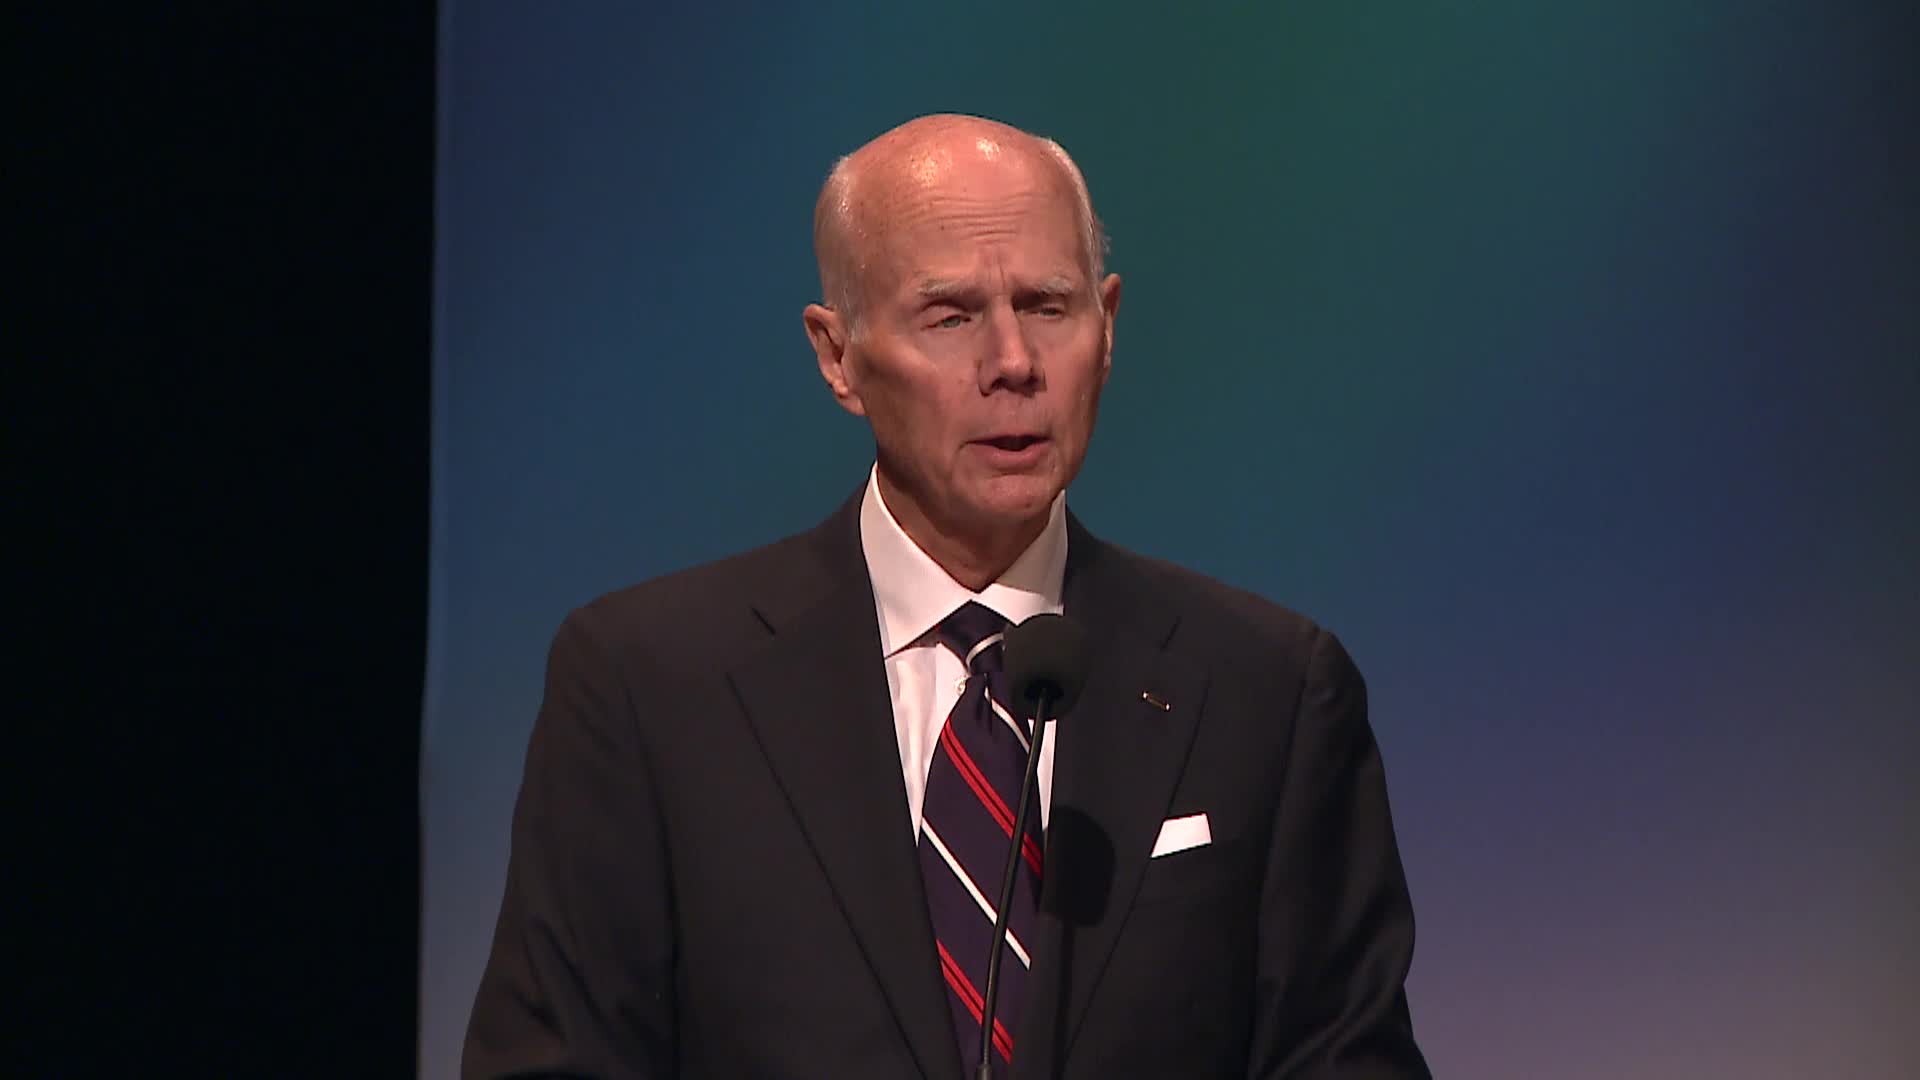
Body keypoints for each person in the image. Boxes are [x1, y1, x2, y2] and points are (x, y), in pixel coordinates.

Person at [463, 113, 1429, 1079]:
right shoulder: (648, 687)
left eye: (1047, 305)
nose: (1013, 362)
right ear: (838, 357)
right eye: (951, 315)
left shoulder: (1268, 692)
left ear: (1107, 327)